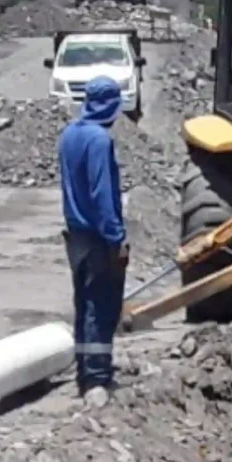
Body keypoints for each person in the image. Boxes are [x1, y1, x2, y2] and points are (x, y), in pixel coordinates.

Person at [57, 74, 129, 402]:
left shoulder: (69, 135)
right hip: (98, 236)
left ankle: (85, 371)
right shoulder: (99, 140)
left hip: (75, 235)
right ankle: (97, 379)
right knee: (101, 307)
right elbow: (102, 195)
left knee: (83, 303)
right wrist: (116, 238)